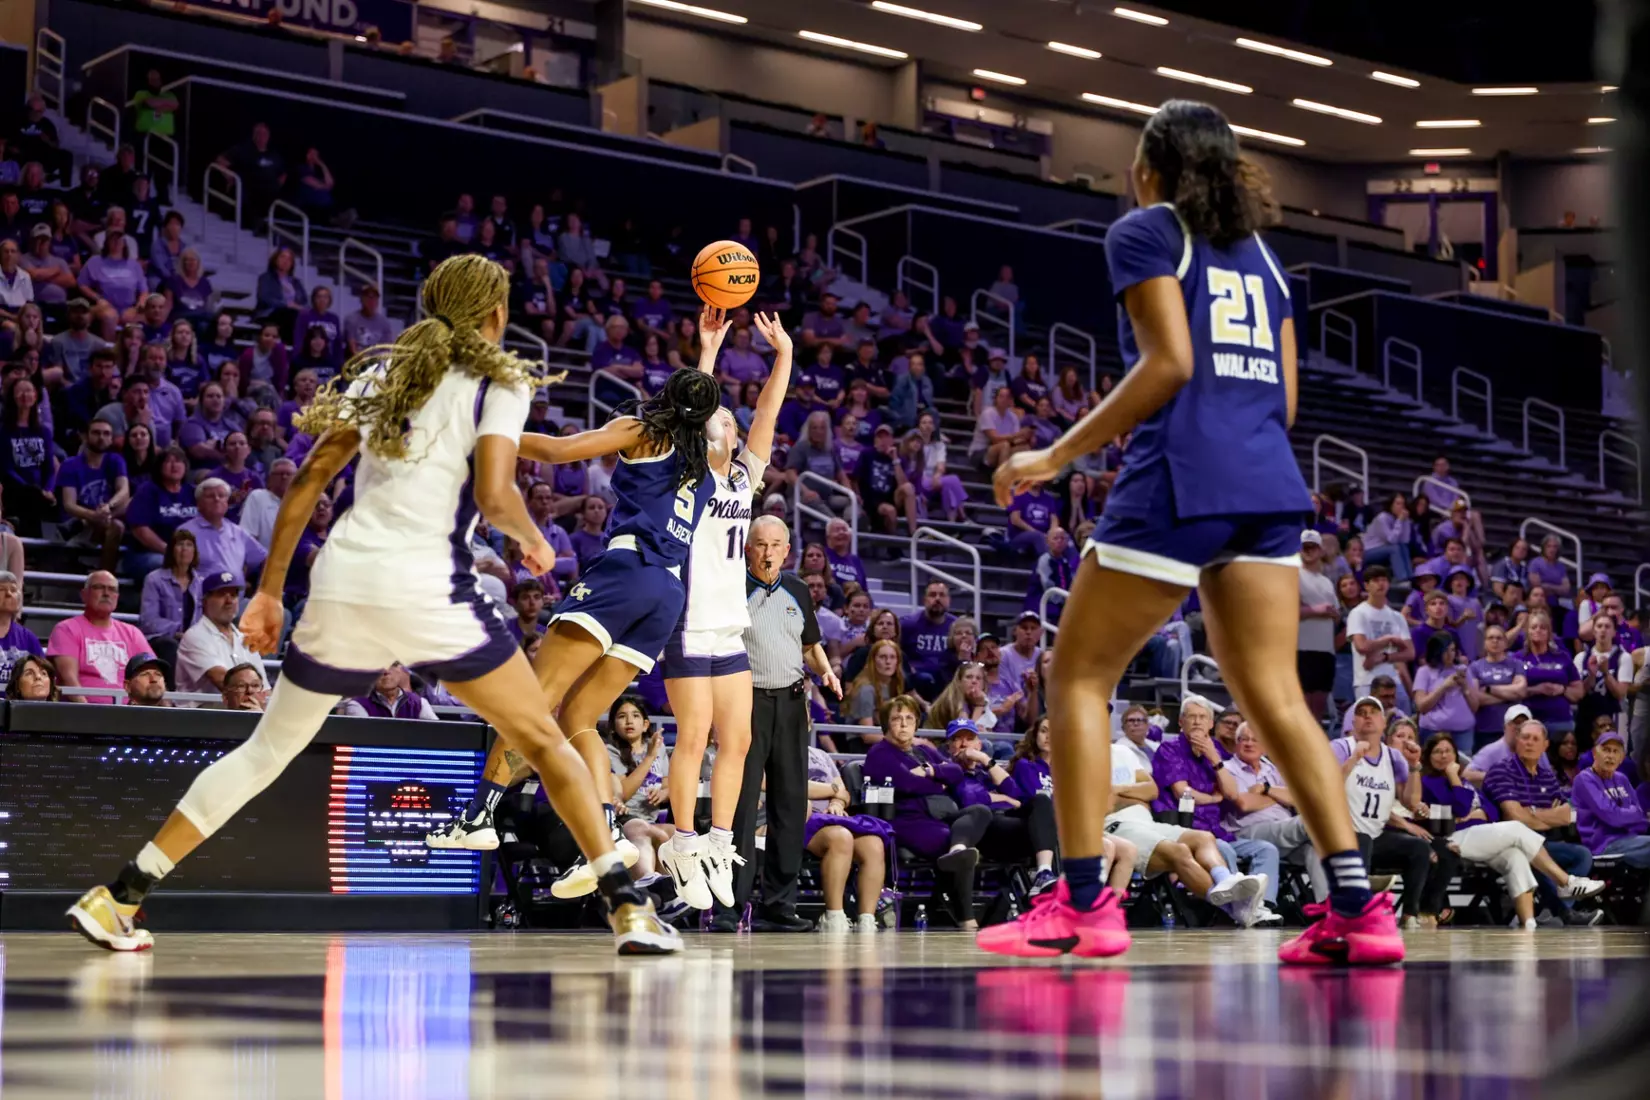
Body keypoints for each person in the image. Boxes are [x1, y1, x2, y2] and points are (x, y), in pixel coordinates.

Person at [66, 254, 679, 956]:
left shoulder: (381, 373)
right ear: (495, 315)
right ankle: (628, 907)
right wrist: (533, 538)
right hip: (426, 590)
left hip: (342, 582)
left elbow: (309, 479)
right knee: (540, 738)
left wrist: (271, 589)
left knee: (266, 750)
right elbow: (495, 495)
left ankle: (121, 895)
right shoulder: (499, 378)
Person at [978, 101, 1400, 964]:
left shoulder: (1145, 230)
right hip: (1267, 478)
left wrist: (1057, 453)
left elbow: (1168, 361)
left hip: (1182, 474)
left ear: (1154, 167)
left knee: (1080, 677)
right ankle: (1358, 913)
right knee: (1279, 700)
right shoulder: (1269, 264)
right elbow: (1283, 402)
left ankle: (1086, 903)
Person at [421, 292, 728, 932]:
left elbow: (561, 452)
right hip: (668, 595)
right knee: (579, 716)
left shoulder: (647, 429)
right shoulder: (706, 462)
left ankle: (478, 816)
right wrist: (709, 351)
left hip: (626, 571)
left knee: (535, 699)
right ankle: (610, 831)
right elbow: (703, 405)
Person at [706, 515, 842, 931]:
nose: (768, 552)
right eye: (760, 544)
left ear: (787, 550)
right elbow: (713, 649)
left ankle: (779, 906)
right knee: (742, 807)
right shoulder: (732, 589)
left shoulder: (798, 589)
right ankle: (729, 907)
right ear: (747, 548)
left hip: (792, 703)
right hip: (746, 704)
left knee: (789, 804)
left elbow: (810, 643)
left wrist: (826, 674)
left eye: (775, 545)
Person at [1330, 696, 1434, 929]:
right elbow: (1328, 786)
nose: (1367, 715)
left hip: (1376, 834)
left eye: (1373, 712)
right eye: (1361, 712)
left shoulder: (1392, 756)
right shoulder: (1340, 747)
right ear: (1353, 721)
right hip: (1341, 835)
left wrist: (1415, 765)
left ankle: (1409, 915)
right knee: (1363, 838)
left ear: (1383, 722)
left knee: (1419, 847)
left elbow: (1411, 802)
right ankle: (1358, 911)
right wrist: (1355, 757)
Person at [1484, 718, 1601, 925]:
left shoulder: (1547, 776)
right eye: (1525, 738)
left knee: (1582, 855)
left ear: (1545, 745)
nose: (1529, 743)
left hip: (1541, 841)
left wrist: (1533, 813)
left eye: (1535, 739)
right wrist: (1548, 815)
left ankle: (1551, 909)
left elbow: (1566, 816)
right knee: (1532, 853)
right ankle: (1566, 914)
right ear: (1516, 741)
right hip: (1506, 845)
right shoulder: (1501, 771)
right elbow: (1514, 817)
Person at [805, 743, 893, 933]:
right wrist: (833, 788)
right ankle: (834, 916)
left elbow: (843, 792)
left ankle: (866, 918)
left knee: (873, 844)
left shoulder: (822, 755)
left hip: (831, 816)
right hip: (802, 818)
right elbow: (795, 788)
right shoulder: (777, 750)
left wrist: (837, 801)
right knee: (841, 837)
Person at [47, 570, 154, 704]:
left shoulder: (132, 633)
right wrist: (91, 714)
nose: (106, 593)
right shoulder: (67, 629)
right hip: (82, 714)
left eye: (112, 589)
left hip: (129, 714)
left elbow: (153, 674)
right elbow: (68, 679)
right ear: (84, 595)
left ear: (117, 596)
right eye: (99, 587)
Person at [174, 570, 267, 697]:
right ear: (205, 601)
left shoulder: (245, 638)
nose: (229, 601)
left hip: (239, 709)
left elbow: (265, 688)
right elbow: (224, 682)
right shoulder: (195, 636)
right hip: (202, 711)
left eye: (233, 595)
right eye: (222, 594)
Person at [1572, 730, 1650, 866]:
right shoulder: (1584, 779)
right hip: (1602, 845)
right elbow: (1609, 815)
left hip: (1631, 839)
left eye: (1615, 751)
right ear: (1595, 753)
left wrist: (1621, 816)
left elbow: (1640, 815)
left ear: (1621, 758)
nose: (1610, 756)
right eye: (1606, 750)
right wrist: (1627, 815)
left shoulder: (1622, 779)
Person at [139, 528, 201, 644]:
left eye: (189, 545)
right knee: (170, 645)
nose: (184, 549)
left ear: (194, 552)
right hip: (162, 639)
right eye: (180, 544)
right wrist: (178, 631)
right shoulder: (154, 579)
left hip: (193, 642)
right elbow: (148, 621)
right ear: (171, 550)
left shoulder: (200, 583)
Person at [339, 664, 437, 720]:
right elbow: (365, 738)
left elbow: (435, 734)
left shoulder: (419, 703)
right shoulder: (358, 704)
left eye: (393, 665)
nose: (387, 672)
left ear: (401, 671)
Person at [0, 569, 44, 692]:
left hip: (18, 706)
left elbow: (42, 676)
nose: (9, 594)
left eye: (14, 590)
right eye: (1, 590)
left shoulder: (28, 638)